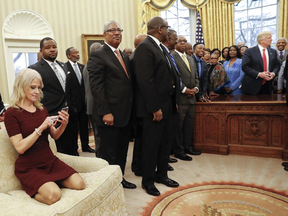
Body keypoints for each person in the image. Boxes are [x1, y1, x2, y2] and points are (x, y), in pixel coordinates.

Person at [4, 68, 85, 205]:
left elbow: (55, 136)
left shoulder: (41, 108)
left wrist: (63, 124)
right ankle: (37, 190)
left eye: (39, 88)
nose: (37, 91)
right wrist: (40, 128)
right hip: (29, 166)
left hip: (49, 161)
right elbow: (20, 148)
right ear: (21, 86)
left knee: (80, 184)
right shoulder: (12, 113)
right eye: (32, 87)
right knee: (54, 195)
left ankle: (48, 183)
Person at [133, 16, 179, 196]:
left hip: (166, 105)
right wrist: (155, 108)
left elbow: (167, 77)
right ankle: (148, 181)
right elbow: (145, 81)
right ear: (160, 29)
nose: (169, 31)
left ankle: (162, 175)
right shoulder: (145, 47)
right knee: (151, 146)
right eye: (167, 28)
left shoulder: (160, 47)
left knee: (165, 144)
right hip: (154, 109)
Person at [87, 20, 136, 189]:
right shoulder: (98, 55)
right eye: (112, 30)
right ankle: (106, 185)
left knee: (122, 149)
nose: (117, 33)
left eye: (119, 30)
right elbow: (97, 87)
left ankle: (119, 178)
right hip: (109, 114)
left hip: (124, 113)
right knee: (108, 151)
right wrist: (106, 112)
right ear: (104, 34)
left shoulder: (122, 55)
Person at [29, 37, 79, 156]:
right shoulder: (34, 69)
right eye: (48, 48)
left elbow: (68, 90)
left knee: (72, 148)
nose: (52, 50)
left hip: (69, 114)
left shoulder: (64, 65)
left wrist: (74, 108)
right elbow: (35, 95)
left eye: (54, 47)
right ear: (41, 50)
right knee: (58, 151)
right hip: (51, 115)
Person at [172, 35, 200, 159]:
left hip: (192, 98)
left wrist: (196, 89)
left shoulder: (190, 58)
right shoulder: (172, 57)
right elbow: (174, 77)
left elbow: (196, 77)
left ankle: (188, 147)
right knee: (179, 126)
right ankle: (179, 150)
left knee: (189, 125)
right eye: (180, 41)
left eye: (185, 41)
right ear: (175, 43)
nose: (183, 43)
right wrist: (184, 90)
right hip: (181, 98)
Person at [65, 47, 94, 153]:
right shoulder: (65, 68)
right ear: (69, 55)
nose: (78, 54)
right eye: (75, 53)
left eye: (78, 52)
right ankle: (74, 147)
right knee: (73, 128)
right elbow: (67, 89)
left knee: (84, 126)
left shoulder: (82, 67)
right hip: (73, 103)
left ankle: (86, 146)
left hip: (84, 102)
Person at [82, 42, 102, 157]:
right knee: (99, 135)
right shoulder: (93, 65)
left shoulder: (87, 65)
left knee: (98, 134)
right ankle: (100, 157)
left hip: (91, 103)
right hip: (95, 104)